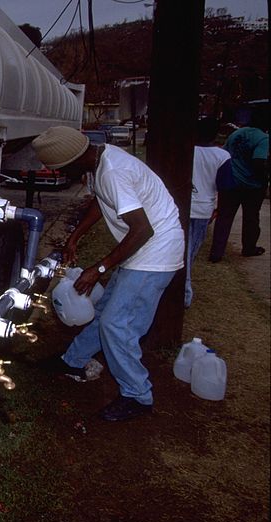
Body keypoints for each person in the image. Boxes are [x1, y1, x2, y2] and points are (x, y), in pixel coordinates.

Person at [31, 126, 184, 422]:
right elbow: (102, 201)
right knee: (104, 312)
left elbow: (142, 229)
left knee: (117, 325)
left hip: (155, 253)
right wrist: (75, 236)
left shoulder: (113, 171)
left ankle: (138, 395)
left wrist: (99, 268)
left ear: (72, 161)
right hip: (142, 250)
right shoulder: (100, 161)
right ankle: (72, 361)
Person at [208, 111, 269, 262]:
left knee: (224, 217)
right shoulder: (263, 138)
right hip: (252, 185)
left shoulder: (236, 134)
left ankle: (216, 252)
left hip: (230, 181)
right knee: (251, 217)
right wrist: (264, 180)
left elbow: (225, 154)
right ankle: (249, 248)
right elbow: (258, 161)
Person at [186, 118, 231, 308]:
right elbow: (226, 186)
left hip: (182, 206)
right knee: (190, 253)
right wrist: (218, 208)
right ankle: (185, 293)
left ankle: (181, 289)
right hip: (203, 209)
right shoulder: (222, 156)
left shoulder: (187, 150)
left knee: (182, 251)